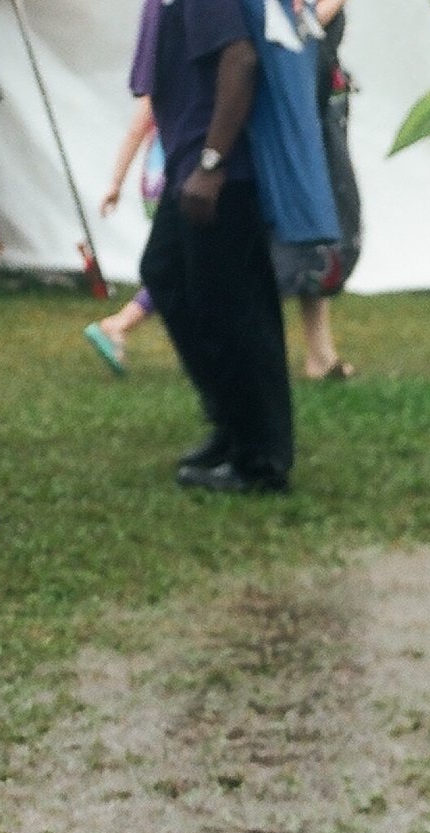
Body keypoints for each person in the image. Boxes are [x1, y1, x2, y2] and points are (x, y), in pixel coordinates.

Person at [133, 0, 295, 493]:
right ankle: (232, 424)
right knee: (166, 274)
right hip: (189, 161)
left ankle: (261, 458)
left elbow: (240, 58)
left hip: (221, 170)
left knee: (235, 308)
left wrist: (212, 162)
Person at [268, 0, 358, 382]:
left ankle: (320, 352)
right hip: (289, 103)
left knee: (318, 230)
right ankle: (126, 321)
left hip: (313, 106)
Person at [85, 96, 161, 375]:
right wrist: (115, 183)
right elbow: (137, 126)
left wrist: (116, 183)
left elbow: (137, 129)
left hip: (157, 178)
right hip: (176, 176)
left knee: (191, 264)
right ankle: (118, 325)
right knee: (185, 264)